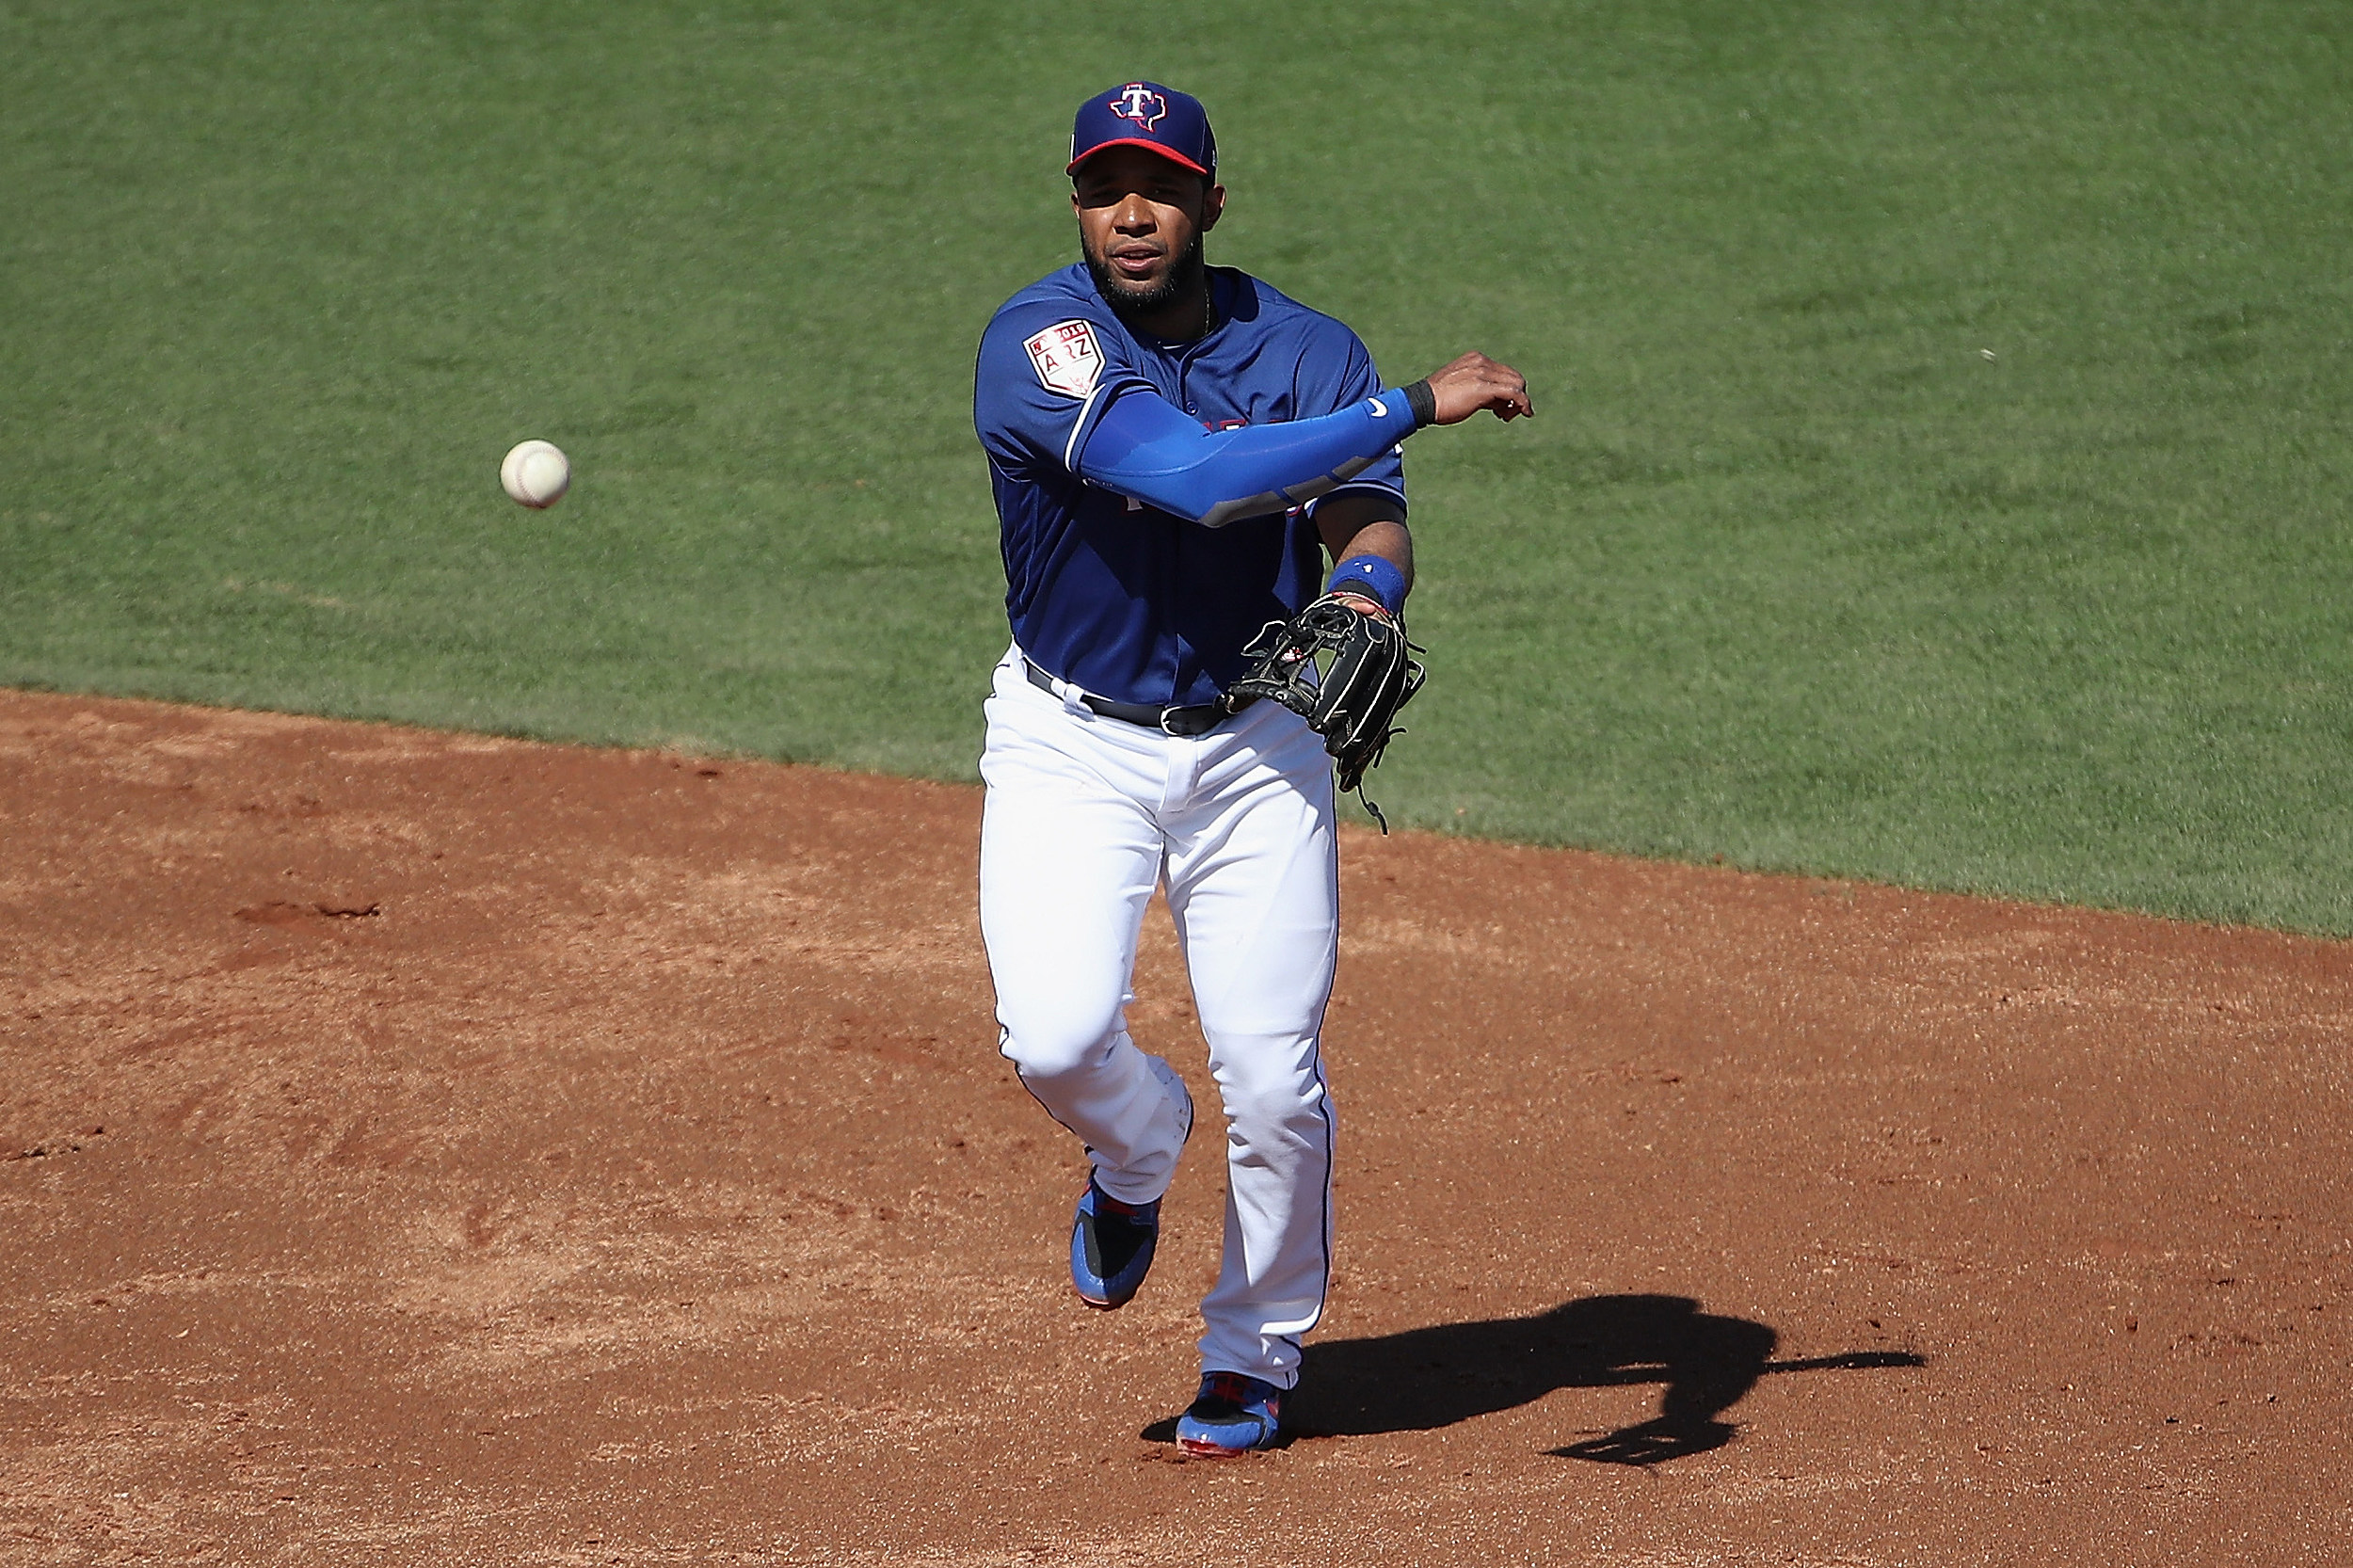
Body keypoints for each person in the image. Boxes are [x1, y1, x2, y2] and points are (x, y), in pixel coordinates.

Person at [970, 80, 1531, 1457]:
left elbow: (1367, 520)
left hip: (1253, 746)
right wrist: (1418, 400)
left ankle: (1254, 1351)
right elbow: (1205, 482)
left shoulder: (1305, 351)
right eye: (1107, 188)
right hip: (1069, 741)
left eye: (1159, 186)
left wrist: (1367, 596)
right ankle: (1138, 1145)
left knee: (1276, 1078)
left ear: (1212, 201)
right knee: (1052, 1035)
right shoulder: (1038, 343)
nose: (1134, 213)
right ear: (1078, 202)